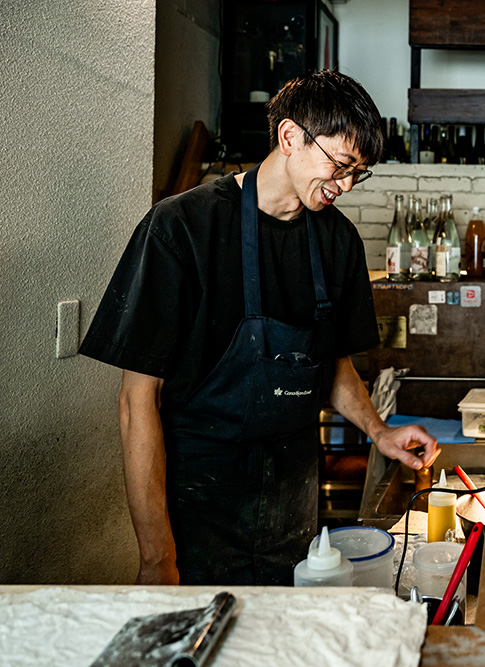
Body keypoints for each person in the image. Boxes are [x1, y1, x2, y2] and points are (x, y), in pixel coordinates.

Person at [80, 71, 438, 586]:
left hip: (293, 494)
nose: (344, 186)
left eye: (359, 174)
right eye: (340, 166)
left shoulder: (339, 241)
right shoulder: (183, 227)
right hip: (198, 496)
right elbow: (137, 402)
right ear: (290, 137)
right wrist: (157, 554)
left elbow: (331, 364)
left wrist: (380, 433)